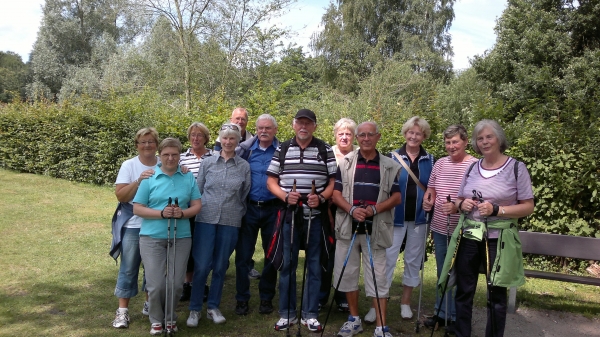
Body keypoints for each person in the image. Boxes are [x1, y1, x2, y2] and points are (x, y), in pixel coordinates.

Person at [439, 119, 534, 337]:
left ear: (499, 139)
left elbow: (528, 206)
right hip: (470, 235)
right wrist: (460, 205)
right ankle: (462, 333)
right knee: (464, 290)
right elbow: (459, 200)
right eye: (480, 138)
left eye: (489, 137)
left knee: (496, 295)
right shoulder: (473, 167)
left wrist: (497, 210)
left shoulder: (516, 168)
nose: (484, 142)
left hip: (498, 239)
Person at [266, 109, 337, 332]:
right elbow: (271, 181)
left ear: (315, 126)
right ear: (294, 125)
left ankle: (310, 314)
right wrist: (286, 196)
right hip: (290, 215)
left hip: (316, 217)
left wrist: (322, 197)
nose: (303, 127)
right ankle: (287, 314)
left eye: (308, 123)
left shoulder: (325, 149)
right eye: (300, 123)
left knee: (315, 265)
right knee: (288, 265)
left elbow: (334, 182)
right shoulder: (283, 148)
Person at [332, 122, 402, 337]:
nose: (365, 138)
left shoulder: (390, 165)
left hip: (377, 229)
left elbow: (397, 197)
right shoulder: (345, 162)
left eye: (370, 135)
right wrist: (352, 210)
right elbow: (335, 195)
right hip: (348, 228)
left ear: (378, 137)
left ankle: (381, 326)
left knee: (378, 277)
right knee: (348, 274)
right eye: (361, 135)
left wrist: (374, 209)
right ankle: (354, 320)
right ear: (357, 137)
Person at [133, 137, 202, 335]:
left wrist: (183, 213)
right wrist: (161, 213)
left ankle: (170, 318)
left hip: (181, 236)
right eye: (166, 154)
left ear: (180, 156)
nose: (170, 158)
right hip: (151, 237)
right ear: (159, 156)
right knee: (155, 284)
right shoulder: (150, 177)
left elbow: (197, 205)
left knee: (175, 283)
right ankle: (156, 319)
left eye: (174, 154)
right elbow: (138, 208)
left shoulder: (187, 177)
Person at [187, 123, 251, 327]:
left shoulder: (243, 166)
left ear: (238, 141)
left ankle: (213, 307)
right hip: (206, 218)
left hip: (230, 221)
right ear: (219, 140)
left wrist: (236, 213)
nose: (228, 141)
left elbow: (244, 194)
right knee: (202, 265)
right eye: (225, 138)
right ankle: (195, 309)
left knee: (221, 266)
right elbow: (198, 190)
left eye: (232, 138)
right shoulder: (208, 163)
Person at [421, 125, 478, 332]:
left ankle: (458, 317)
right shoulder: (440, 163)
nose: (451, 146)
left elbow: (478, 194)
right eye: (448, 142)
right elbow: (432, 189)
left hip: (464, 228)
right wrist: (428, 200)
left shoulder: (474, 165)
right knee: (442, 271)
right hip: (439, 226)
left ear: (464, 142)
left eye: (455, 142)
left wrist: (457, 206)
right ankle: (441, 313)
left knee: (462, 273)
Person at [382, 116, 434, 321]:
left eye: (418, 133)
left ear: (424, 136)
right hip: (394, 218)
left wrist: (431, 199)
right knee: (387, 260)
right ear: (405, 134)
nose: (413, 136)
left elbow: (433, 187)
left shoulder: (430, 160)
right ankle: (380, 301)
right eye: (411, 132)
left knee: (413, 261)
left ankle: (405, 302)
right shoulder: (391, 158)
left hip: (419, 219)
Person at [110, 127, 158, 329]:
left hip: (156, 223)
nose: (147, 145)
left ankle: (149, 305)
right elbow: (121, 196)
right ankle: (122, 312)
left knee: (153, 269)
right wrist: (138, 181)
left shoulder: (165, 163)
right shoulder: (129, 165)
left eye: (151, 141)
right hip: (133, 225)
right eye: (143, 142)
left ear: (157, 144)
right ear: (137, 145)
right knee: (129, 268)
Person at [233, 114, 280, 316]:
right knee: (243, 256)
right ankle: (242, 299)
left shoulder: (282, 151)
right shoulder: (245, 151)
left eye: (268, 128)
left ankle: (266, 298)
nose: (263, 131)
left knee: (270, 255)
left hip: (273, 208)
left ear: (275, 130)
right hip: (249, 208)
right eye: (260, 128)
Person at [319, 118, 356, 312]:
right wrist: (328, 210)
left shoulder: (360, 155)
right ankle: (321, 296)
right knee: (326, 253)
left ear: (353, 136)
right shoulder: (327, 153)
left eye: (348, 133)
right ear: (335, 135)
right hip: (327, 209)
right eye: (341, 133)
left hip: (350, 210)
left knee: (346, 255)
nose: (344, 137)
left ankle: (342, 295)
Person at [179, 122, 214, 302]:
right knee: (188, 246)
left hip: (209, 210)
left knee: (204, 248)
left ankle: (203, 283)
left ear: (206, 138)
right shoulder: (181, 158)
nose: (196, 138)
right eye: (193, 135)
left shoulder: (215, 156)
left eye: (199, 135)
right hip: (188, 210)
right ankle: (188, 283)